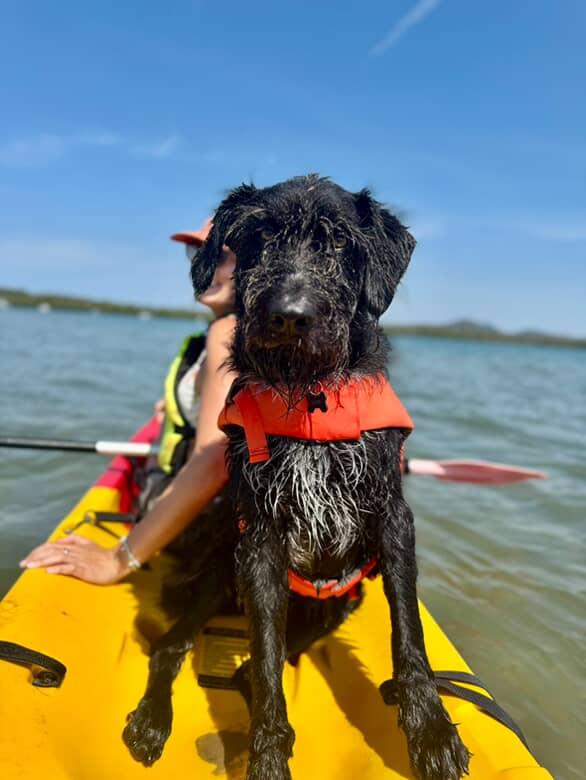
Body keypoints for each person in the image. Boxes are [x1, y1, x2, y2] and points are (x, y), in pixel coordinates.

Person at [20, 221, 237, 584]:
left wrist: (120, 559)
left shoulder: (226, 333)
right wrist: (177, 409)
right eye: (197, 253)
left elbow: (214, 458)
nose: (203, 265)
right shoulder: (235, 330)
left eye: (222, 256)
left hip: (204, 539)